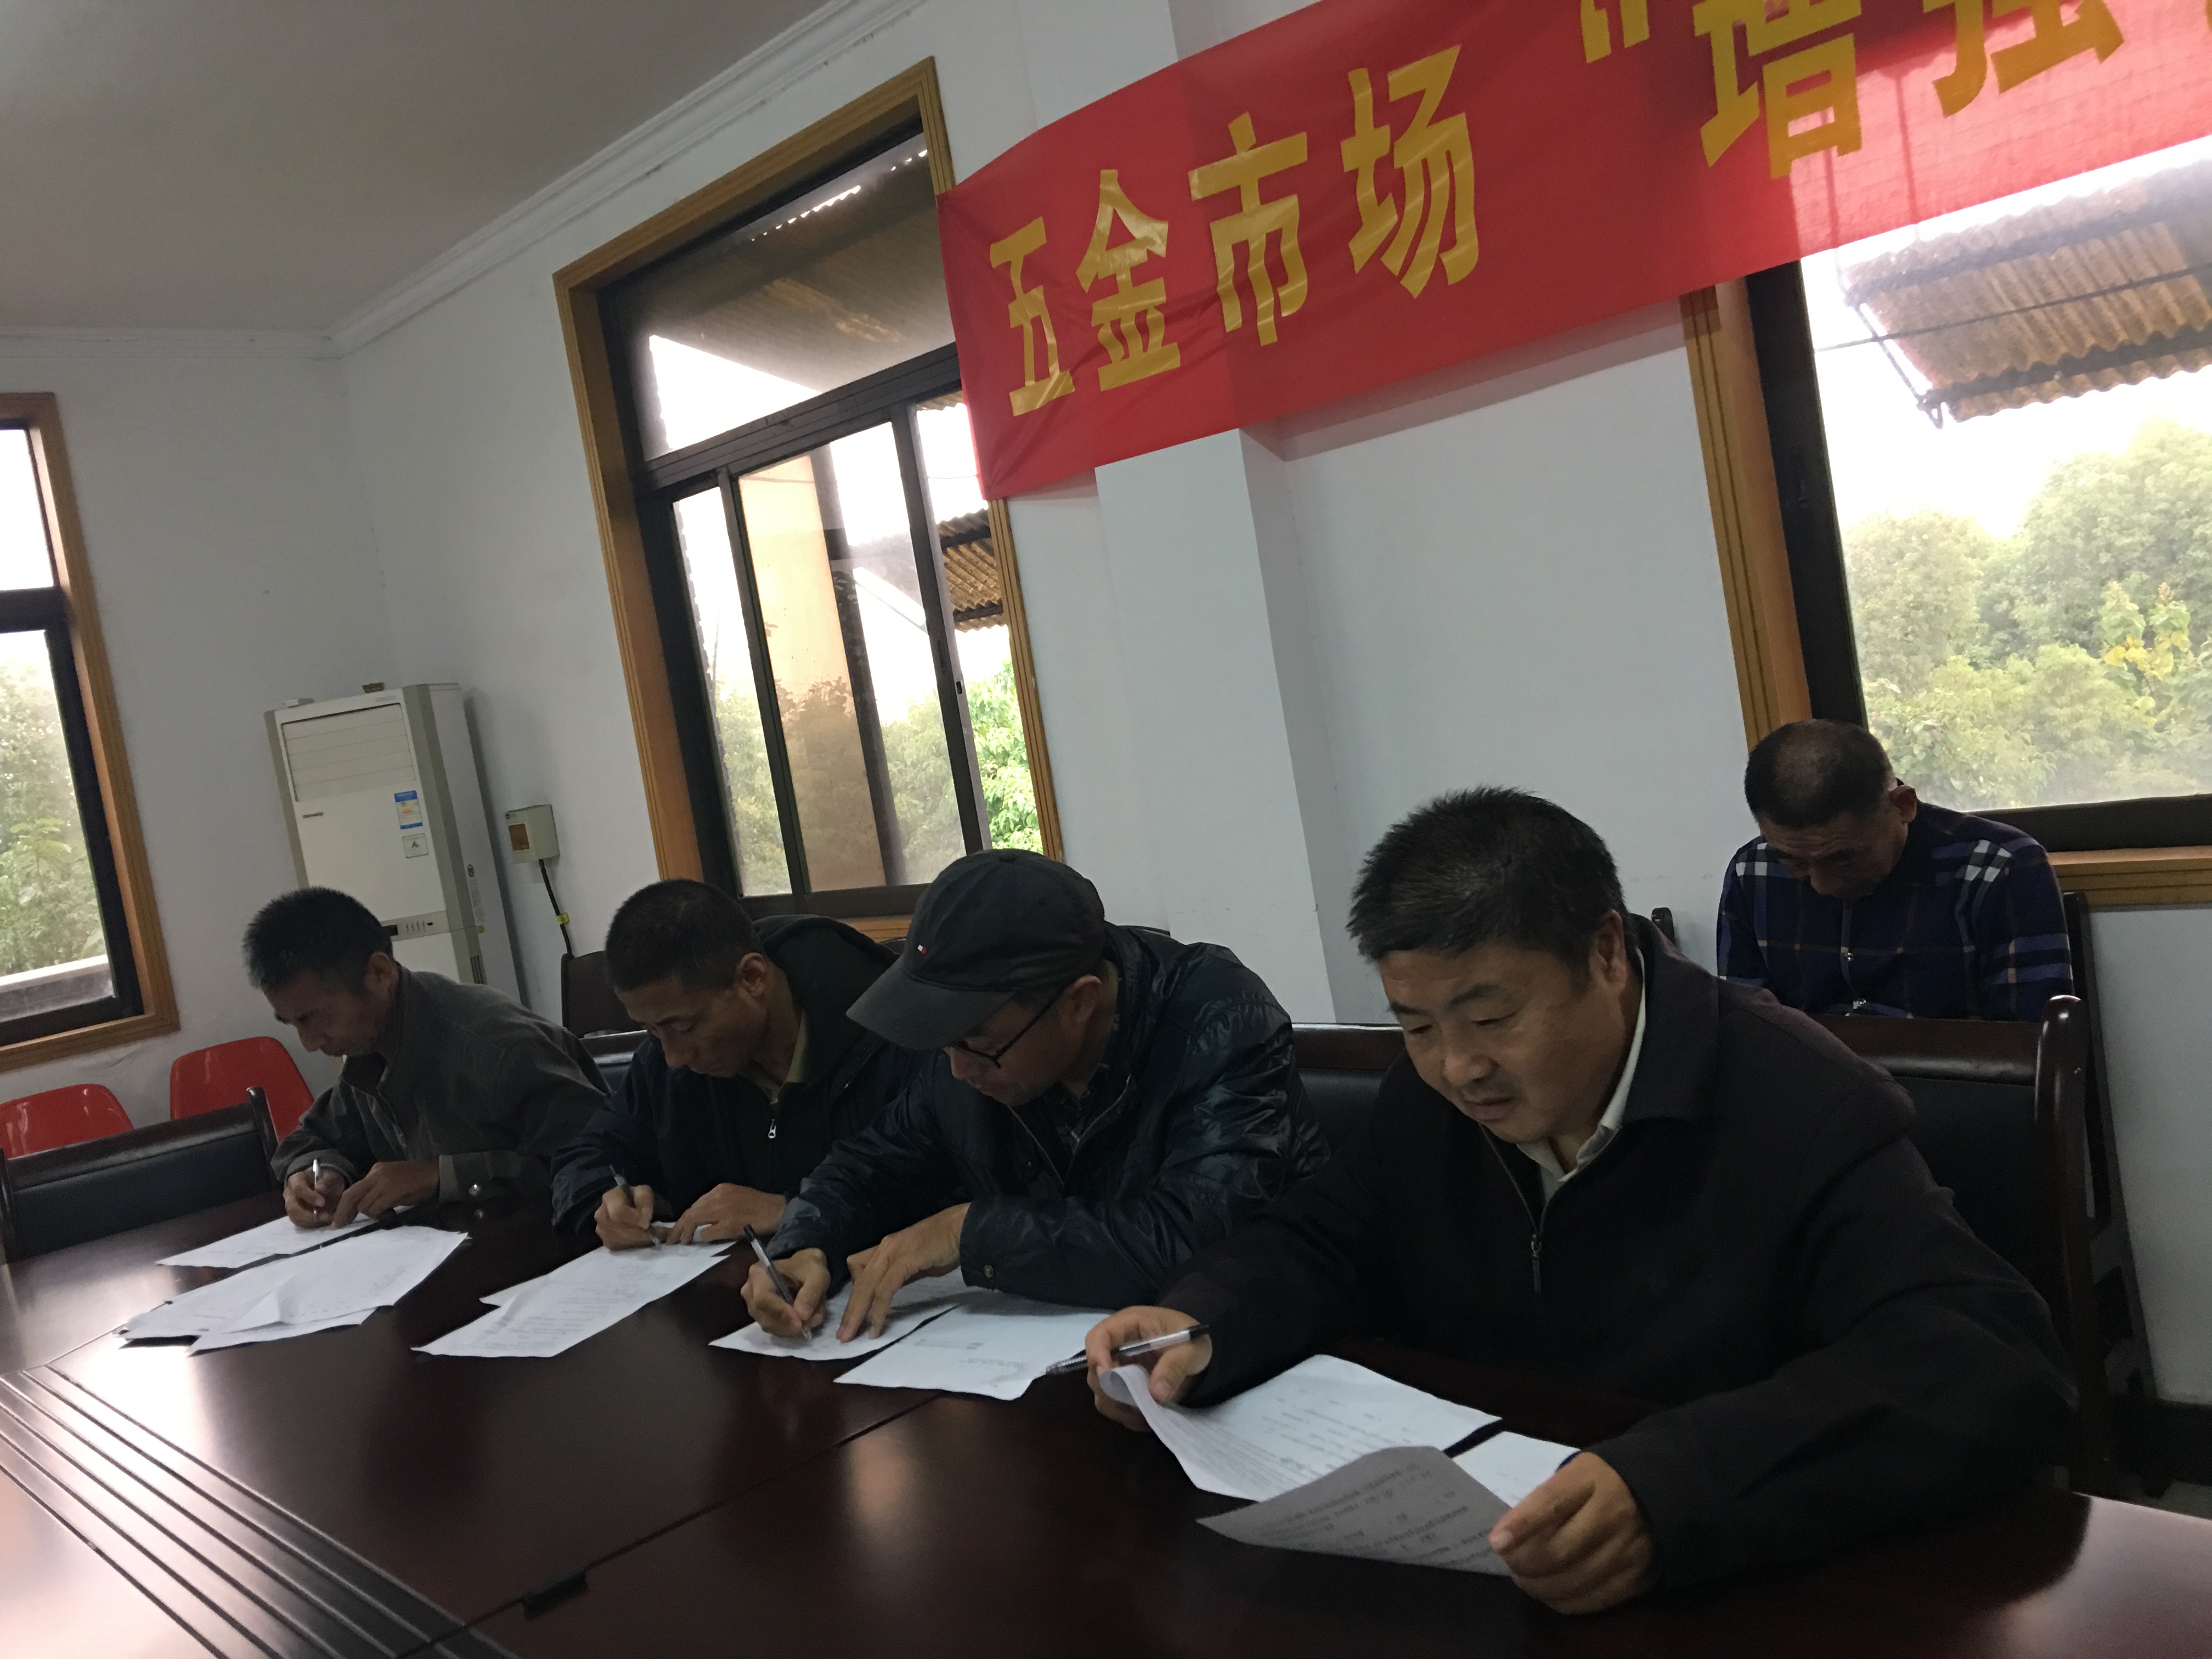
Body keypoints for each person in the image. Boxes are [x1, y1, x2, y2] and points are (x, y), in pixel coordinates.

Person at [1084, 788, 2074, 1616]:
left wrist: (1676, 1482)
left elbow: (1985, 1359)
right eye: (1416, 1026)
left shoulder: (1796, 1102)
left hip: (1741, 1583)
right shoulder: (1431, 1104)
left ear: (1606, 953)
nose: (1458, 1066)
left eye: (1490, 1016)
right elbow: (1326, 1235)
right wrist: (1204, 1317)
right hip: (1487, 1558)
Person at [741, 849, 1327, 1342]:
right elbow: (872, 1165)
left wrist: (969, 1232)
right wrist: (806, 1244)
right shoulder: (973, 1051)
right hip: (1056, 1360)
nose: (957, 1068)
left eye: (978, 1043)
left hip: (1250, 1350)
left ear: (1079, 1002)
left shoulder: (1218, 1022)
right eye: (945, 1043)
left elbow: (1195, 1239)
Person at [549, 880, 915, 1248]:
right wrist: (605, 1199)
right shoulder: (666, 1060)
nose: (674, 1057)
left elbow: (935, 1187)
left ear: (752, 978)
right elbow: (586, 1154)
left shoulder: (891, 1038)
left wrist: (791, 1209)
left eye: (685, 1026)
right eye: (652, 1030)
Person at [251, 887, 605, 1226]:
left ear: (379, 974)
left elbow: (598, 1161)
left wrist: (439, 1176)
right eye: (292, 1023)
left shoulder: (495, 1047)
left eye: (316, 1018)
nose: (309, 1043)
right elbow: (312, 1138)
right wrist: (317, 1173)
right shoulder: (370, 1052)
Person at [1717, 719, 2072, 1019]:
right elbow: (1748, 1028)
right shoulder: (1753, 873)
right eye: (1793, 860)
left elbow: (2030, 1044)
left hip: (1956, 1078)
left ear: (1903, 806)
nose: (1822, 885)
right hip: (1807, 1079)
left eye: (1843, 858)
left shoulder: (1998, 868)